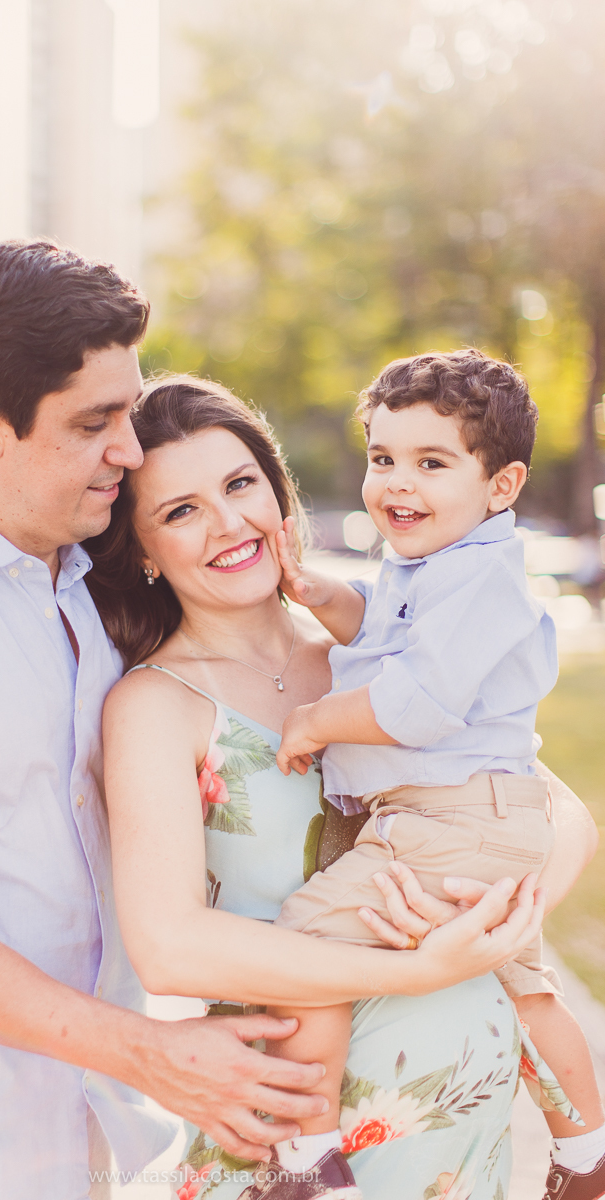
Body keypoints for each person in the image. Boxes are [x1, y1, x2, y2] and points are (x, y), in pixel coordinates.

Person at [0, 241, 337, 1200]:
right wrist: (151, 1053)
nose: (129, 451)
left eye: (128, 411)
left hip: (88, 1139)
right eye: (95, 423)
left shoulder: (100, 593)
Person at [90, 374, 596, 1200]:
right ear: (143, 548)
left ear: (276, 492)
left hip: (459, 1146)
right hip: (292, 1145)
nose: (227, 523)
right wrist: (421, 969)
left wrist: (492, 916)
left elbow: (562, 815)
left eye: (239, 484)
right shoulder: (156, 705)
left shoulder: (378, 656)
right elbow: (169, 948)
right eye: (180, 511)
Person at [268, 349, 605, 1200]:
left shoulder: (478, 577)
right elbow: (376, 629)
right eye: (383, 458)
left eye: (430, 462)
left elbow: (413, 705)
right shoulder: (435, 566)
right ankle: (585, 1155)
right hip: (483, 814)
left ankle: (308, 1162)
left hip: (451, 818)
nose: (395, 483)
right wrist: (315, 592)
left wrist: (313, 720)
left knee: (304, 939)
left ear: (502, 484)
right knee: (527, 990)